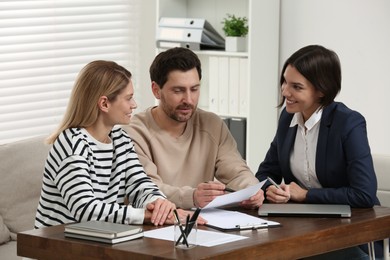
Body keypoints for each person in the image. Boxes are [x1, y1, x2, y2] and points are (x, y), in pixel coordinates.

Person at [255, 45, 383, 259]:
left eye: (296, 86)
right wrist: (273, 190)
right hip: (301, 227)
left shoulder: (348, 123)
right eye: (285, 82)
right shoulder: (288, 118)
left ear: (321, 90)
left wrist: (306, 195)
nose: (285, 91)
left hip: (349, 231)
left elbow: (364, 194)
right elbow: (266, 174)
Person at [35, 60, 181, 229]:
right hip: (55, 246)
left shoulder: (121, 139)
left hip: (96, 238)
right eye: (128, 98)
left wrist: (158, 203)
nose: (134, 104)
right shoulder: (72, 144)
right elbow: (85, 210)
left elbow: (140, 184)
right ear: (104, 103)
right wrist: (143, 215)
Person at [123, 47, 264, 209]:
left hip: (201, 223)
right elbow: (146, 188)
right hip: (153, 226)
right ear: (156, 90)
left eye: (194, 89)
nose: (188, 100)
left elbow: (237, 172)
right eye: (178, 90)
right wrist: (192, 197)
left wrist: (251, 190)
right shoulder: (133, 132)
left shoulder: (212, 124)